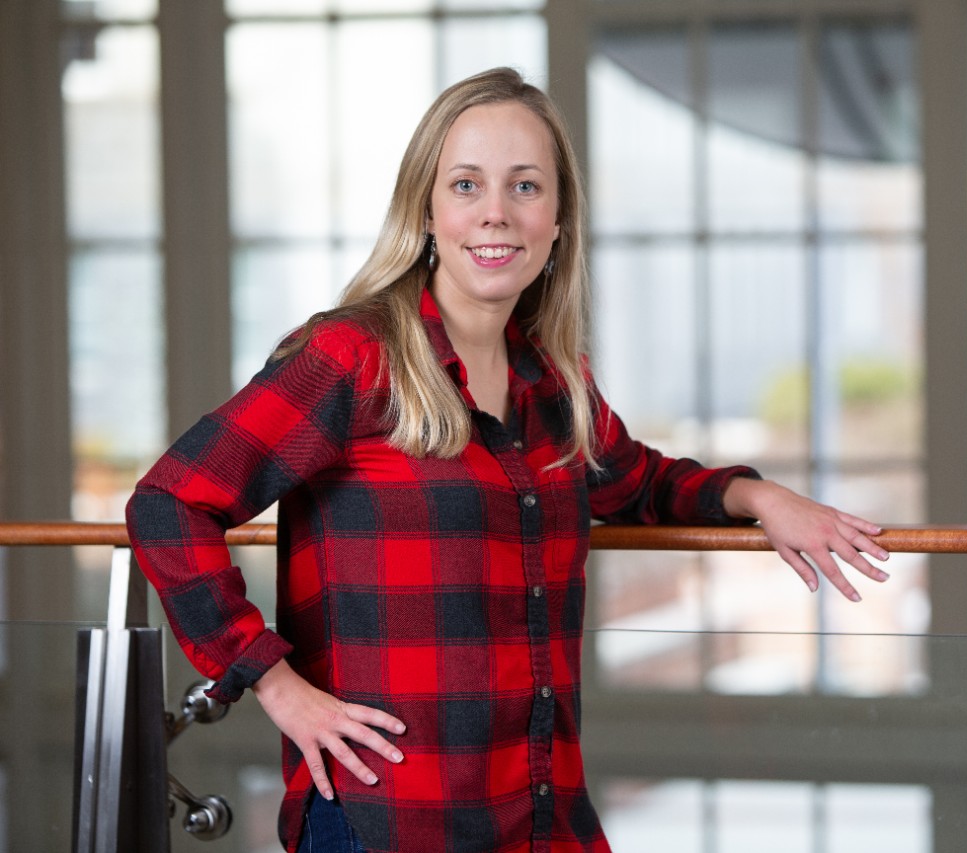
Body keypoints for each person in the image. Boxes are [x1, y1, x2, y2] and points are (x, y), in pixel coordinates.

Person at [125, 66, 891, 853]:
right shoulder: (350, 357)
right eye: (466, 184)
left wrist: (758, 499)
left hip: (538, 821)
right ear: (426, 209)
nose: (497, 212)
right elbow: (167, 504)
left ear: (558, 220)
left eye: (526, 187)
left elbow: (640, 482)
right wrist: (275, 685)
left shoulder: (553, 384)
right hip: (392, 822)